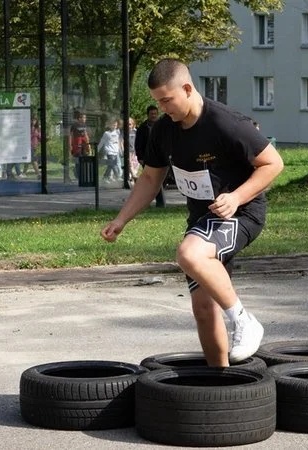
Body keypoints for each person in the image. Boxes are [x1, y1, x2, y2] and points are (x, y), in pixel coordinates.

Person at [100, 59, 284, 367]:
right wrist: (121, 220)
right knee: (203, 308)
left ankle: (244, 321)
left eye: (167, 100)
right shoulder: (163, 131)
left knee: (189, 253)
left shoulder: (225, 123)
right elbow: (150, 179)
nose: (162, 108)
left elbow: (274, 163)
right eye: (157, 102)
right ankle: (220, 382)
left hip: (240, 214)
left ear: (187, 88)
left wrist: (236, 197)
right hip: (202, 221)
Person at [135, 105, 165, 207]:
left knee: (158, 180)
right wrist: (140, 157)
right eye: (152, 114)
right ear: (148, 115)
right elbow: (138, 144)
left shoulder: (161, 127)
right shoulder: (142, 128)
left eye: (155, 114)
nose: (154, 116)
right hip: (147, 158)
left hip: (161, 157)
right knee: (151, 180)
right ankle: (150, 202)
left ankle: (160, 202)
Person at [98, 118, 123, 183]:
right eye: (113, 125)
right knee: (112, 164)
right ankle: (117, 176)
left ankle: (105, 177)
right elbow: (102, 142)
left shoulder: (118, 132)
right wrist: (97, 149)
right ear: (110, 125)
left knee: (110, 165)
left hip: (115, 151)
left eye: (116, 125)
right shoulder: (106, 133)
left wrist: (120, 150)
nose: (114, 126)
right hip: (109, 151)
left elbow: (119, 141)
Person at [69, 110, 90, 180]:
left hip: (84, 144)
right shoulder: (74, 125)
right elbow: (70, 136)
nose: (85, 119)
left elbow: (86, 134)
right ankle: (78, 174)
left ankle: (83, 174)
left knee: (84, 158)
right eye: (83, 118)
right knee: (78, 159)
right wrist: (70, 145)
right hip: (76, 143)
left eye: (85, 118)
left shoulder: (84, 125)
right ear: (79, 118)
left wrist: (88, 144)